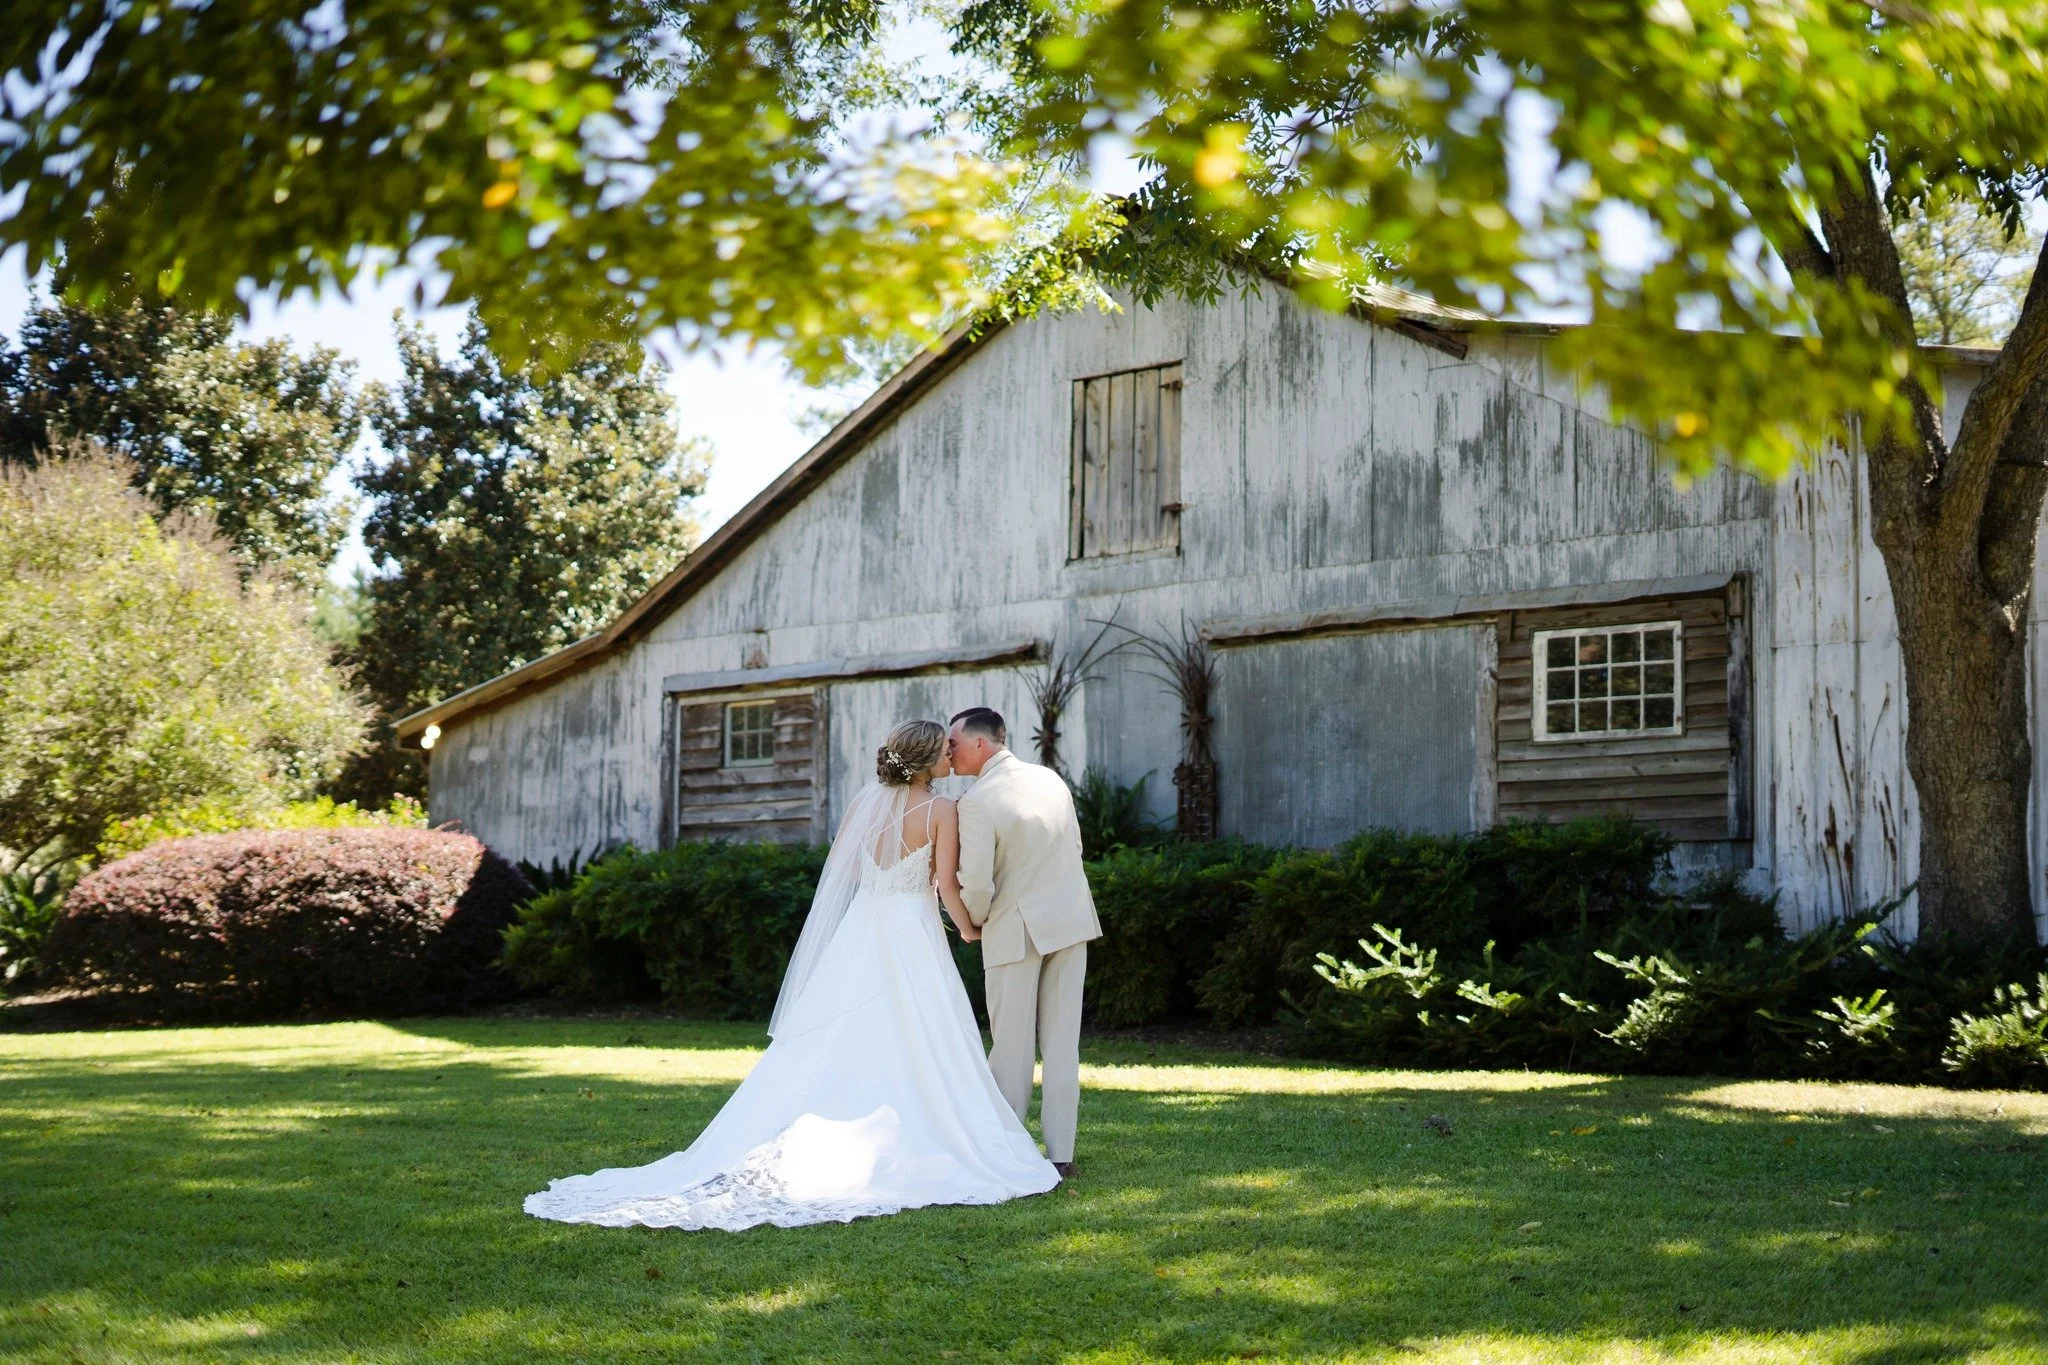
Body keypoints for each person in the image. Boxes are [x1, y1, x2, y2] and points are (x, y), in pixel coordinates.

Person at [524, 719, 1059, 1231]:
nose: (951, 753)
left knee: (843, 1028)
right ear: (925, 760)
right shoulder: (944, 808)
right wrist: (968, 930)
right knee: (919, 1029)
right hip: (910, 933)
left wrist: (884, 892)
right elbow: (944, 885)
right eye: (944, 748)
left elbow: (846, 873)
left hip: (862, 930)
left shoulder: (862, 808)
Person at [948, 706, 1101, 1178]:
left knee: (1011, 1047)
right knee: (1061, 1044)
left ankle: (1009, 1153)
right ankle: (1061, 1156)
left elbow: (975, 883)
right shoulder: (1051, 780)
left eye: (952, 743)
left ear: (980, 744)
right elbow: (1073, 848)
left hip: (1016, 929)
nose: (947, 752)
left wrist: (970, 925)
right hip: (1072, 922)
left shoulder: (976, 800)